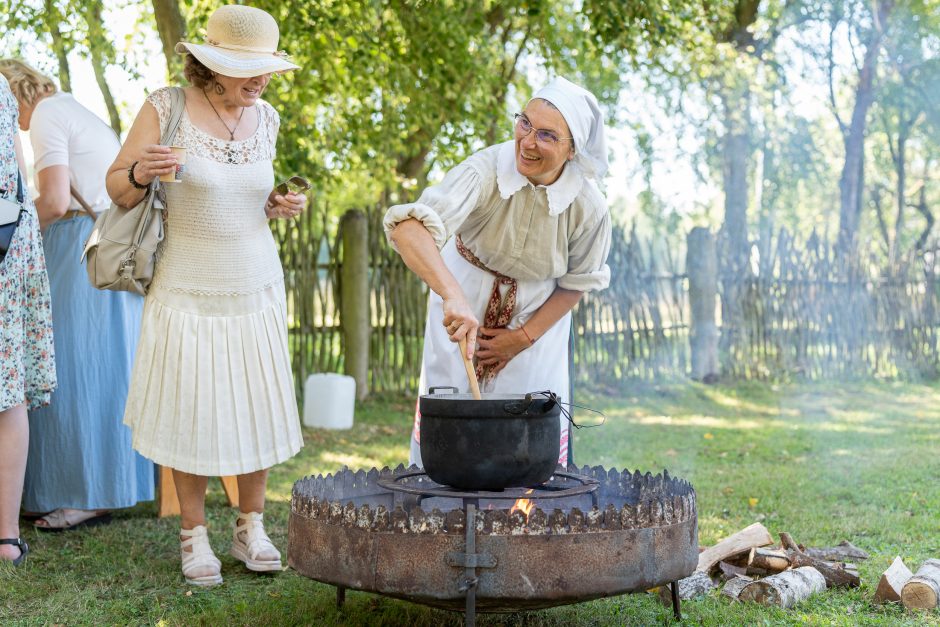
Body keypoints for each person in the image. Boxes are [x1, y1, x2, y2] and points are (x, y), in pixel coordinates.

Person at [106, 4, 305, 586]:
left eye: (267, 68)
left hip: (256, 281)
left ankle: (251, 526)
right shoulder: (164, 107)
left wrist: (278, 206)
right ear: (212, 65)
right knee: (189, 407)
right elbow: (117, 189)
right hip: (186, 284)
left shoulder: (266, 117)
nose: (263, 80)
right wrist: (142, 173)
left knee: (256, 402)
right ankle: (194, 535)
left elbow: (246, 198)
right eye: (250, 69)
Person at [384, 77, 612, 469]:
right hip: (462, 296)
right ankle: (439, 508)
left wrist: (521, 338)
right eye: (524, 122)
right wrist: (452, 295)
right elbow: (409, 229)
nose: (527, 141)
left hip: (537, 318)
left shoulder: (588, 208)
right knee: (451, 409)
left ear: (572, 150)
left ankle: (523, 515)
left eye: (546, 135)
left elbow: (577, 283)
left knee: (526, 426)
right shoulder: (485, 170)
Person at [0, 59, 154, 531]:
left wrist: (17, 245)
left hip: (78, 245)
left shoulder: (45, 115)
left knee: (73, 371)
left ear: (14, 94)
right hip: (106, 245)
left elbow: (53, 201)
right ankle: (85, 487)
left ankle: (81, 492)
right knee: (103, 371)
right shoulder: (72, 108)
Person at [0, 73, 57, 565]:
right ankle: (6, 539)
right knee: (7, 388)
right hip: (9, 242)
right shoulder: (0, 89)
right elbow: (19, 178)